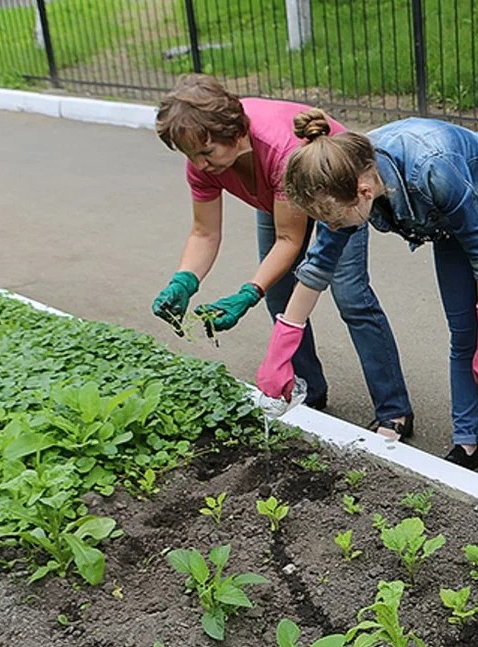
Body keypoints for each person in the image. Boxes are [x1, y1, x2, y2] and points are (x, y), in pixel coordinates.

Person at [254, 112, 478, 486]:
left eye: (338, 222)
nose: (335, 229)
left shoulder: (432, 170)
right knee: (462, 336)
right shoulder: (346, 178)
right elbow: (317, 268)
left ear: (365, 192)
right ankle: (465, 444)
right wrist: (280, 354)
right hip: (450, 223)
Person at [151, 75, 414, 437]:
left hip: (334, 189)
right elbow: (204, 232)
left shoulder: (279, 149)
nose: (200, 164)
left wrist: (247, 292)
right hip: (279, 194)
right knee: (278, 294)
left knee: (351, 296)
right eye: (191, 155)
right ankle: (306, 390)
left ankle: (393, 410)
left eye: (207, 153)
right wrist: (184, 280)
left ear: (237, 134)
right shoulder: (204, 162)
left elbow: (290, 240)